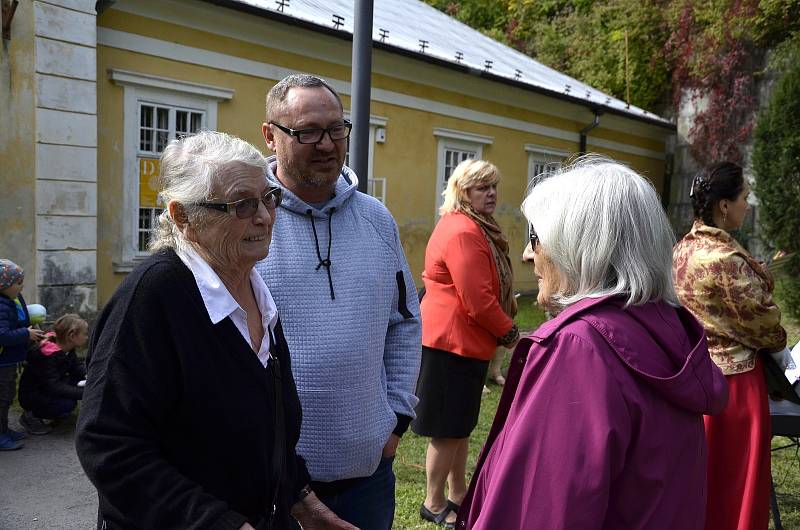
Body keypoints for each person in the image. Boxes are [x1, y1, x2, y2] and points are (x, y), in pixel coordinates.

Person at [76, 131, 353, 530]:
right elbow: (108, 445)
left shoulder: (256, 291)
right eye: (241, 205)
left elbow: (264, 431)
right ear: (184, 216)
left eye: (268, 198)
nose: (264, 216)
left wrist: (303, 501)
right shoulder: (153, 296)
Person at [458, 157, 729, 530]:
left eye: (535, 238)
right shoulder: (664, 329)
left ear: (579, 247)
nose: (527, 253)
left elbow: (544, 512)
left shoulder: (581, 348)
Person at [257, 73, 421, 529]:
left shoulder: (376, 219)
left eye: (336, 129)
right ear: (270, 136)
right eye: (307, 131)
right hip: (273, 481)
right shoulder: (250, 221)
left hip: (367, 476)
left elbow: (405, 321)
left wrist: (397, 418)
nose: (327, 144)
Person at [673, 162, 787, 530]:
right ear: (724, 205)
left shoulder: (683, 250)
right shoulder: (725, 260)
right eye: (744, 197)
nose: (747, 205)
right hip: (735, 388)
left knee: (702, 478)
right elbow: (767, 324)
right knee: (736, 482)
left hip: (694, 377)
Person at [411, 159, 518, 528]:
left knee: (460, 426)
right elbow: (478, 300)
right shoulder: (463, 231)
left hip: (463, 342)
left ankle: (458, 492)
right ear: (463, 192)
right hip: (451, 342)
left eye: (493, 187)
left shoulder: (472, 226)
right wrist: (510, 332)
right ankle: (433, 501)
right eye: (481, 188)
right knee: (447, 428)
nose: (490, 193)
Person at [0, 259, 45, 451]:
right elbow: (2, 335)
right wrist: (26, 334)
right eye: (18, 283)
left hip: (9, 360)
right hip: (2, 362)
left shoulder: (10, 300)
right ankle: (0, 436)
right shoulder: (1, 305)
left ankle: (4, 430)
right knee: (1, 399)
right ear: (4, 285)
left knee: (7, 396)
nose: (22, 286)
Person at [18, 314, 88, 435]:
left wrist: (89, 374)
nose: (86, 337)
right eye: (84, 334)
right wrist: (85, 393)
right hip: (33, 396)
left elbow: (75, 367)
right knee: (67, 404)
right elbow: (53, 386)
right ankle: (31, 415)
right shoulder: (48, 355)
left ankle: (56, 411)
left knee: (79, 382)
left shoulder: (67, 348)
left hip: (48, 388)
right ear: (72, 336)